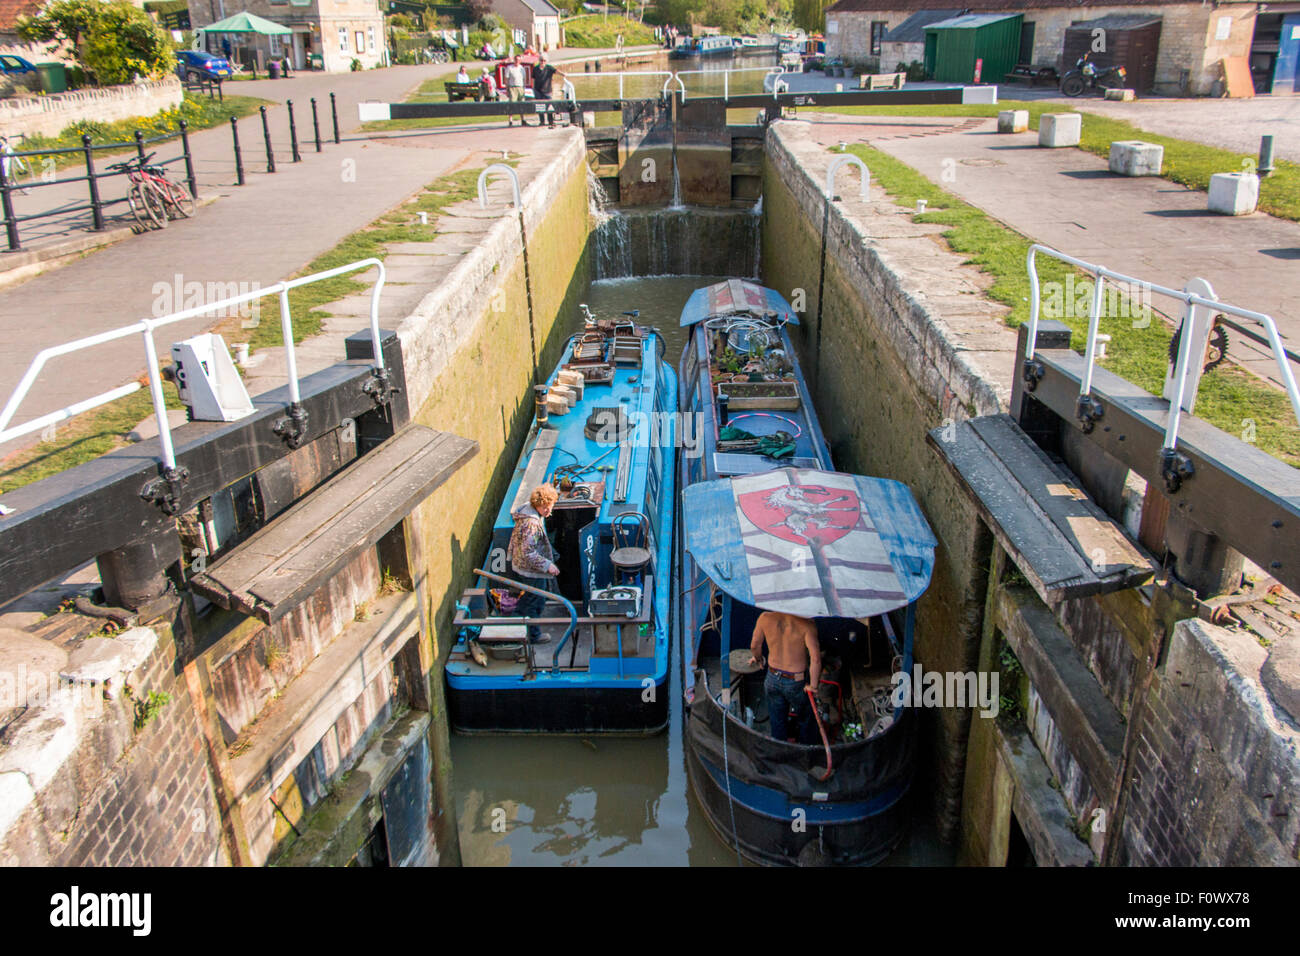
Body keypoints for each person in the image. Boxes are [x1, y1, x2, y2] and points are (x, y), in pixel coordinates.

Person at [749, 611, 821, 744]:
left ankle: (781, 755)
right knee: (806, 719)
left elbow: (754, 645)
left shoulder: (765, 618)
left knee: (777, 720)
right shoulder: (807, 625)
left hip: (772, 676)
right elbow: (816, 659)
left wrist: (759, 659)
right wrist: (813, 686)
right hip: (796, 681)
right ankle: (805, 753)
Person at [508, 484, 560, 644]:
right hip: (530, 569)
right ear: (540, 505)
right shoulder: (532, 524)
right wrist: (547, 565)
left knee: (530, 597)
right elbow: (527, 552)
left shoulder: (526, 511)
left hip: (520, 564)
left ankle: (515, 618)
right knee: (536, 601)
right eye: (547, 508)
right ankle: (533, 635)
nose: (549, 512)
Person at [530, 52, 563, 128]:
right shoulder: (535, 69)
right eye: (541, 60)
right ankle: (542, 121)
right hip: (538, 90)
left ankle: (550, 121)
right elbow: (533, 79)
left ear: (546, 61)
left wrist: (563, 74)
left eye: (544, 60)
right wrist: (533, 88)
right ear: (539, 60)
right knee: (539, 107)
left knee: (549, 107)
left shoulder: (549, 68)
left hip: (547, 90)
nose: (542, 62)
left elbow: (556, 71)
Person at [504, 54, 527, 126]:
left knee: (522, 104)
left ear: (520, 61)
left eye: (519, 60)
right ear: (514, 60)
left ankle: (523, 119)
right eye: (516, 59)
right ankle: (510, 120)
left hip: (520, 87)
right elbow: (506, 79)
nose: (517, 61)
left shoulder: (522, 68)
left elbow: (524, 79)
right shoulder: (509, 68)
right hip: (512, 87)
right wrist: (507, 89)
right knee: (512, 104)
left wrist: (524, 88)